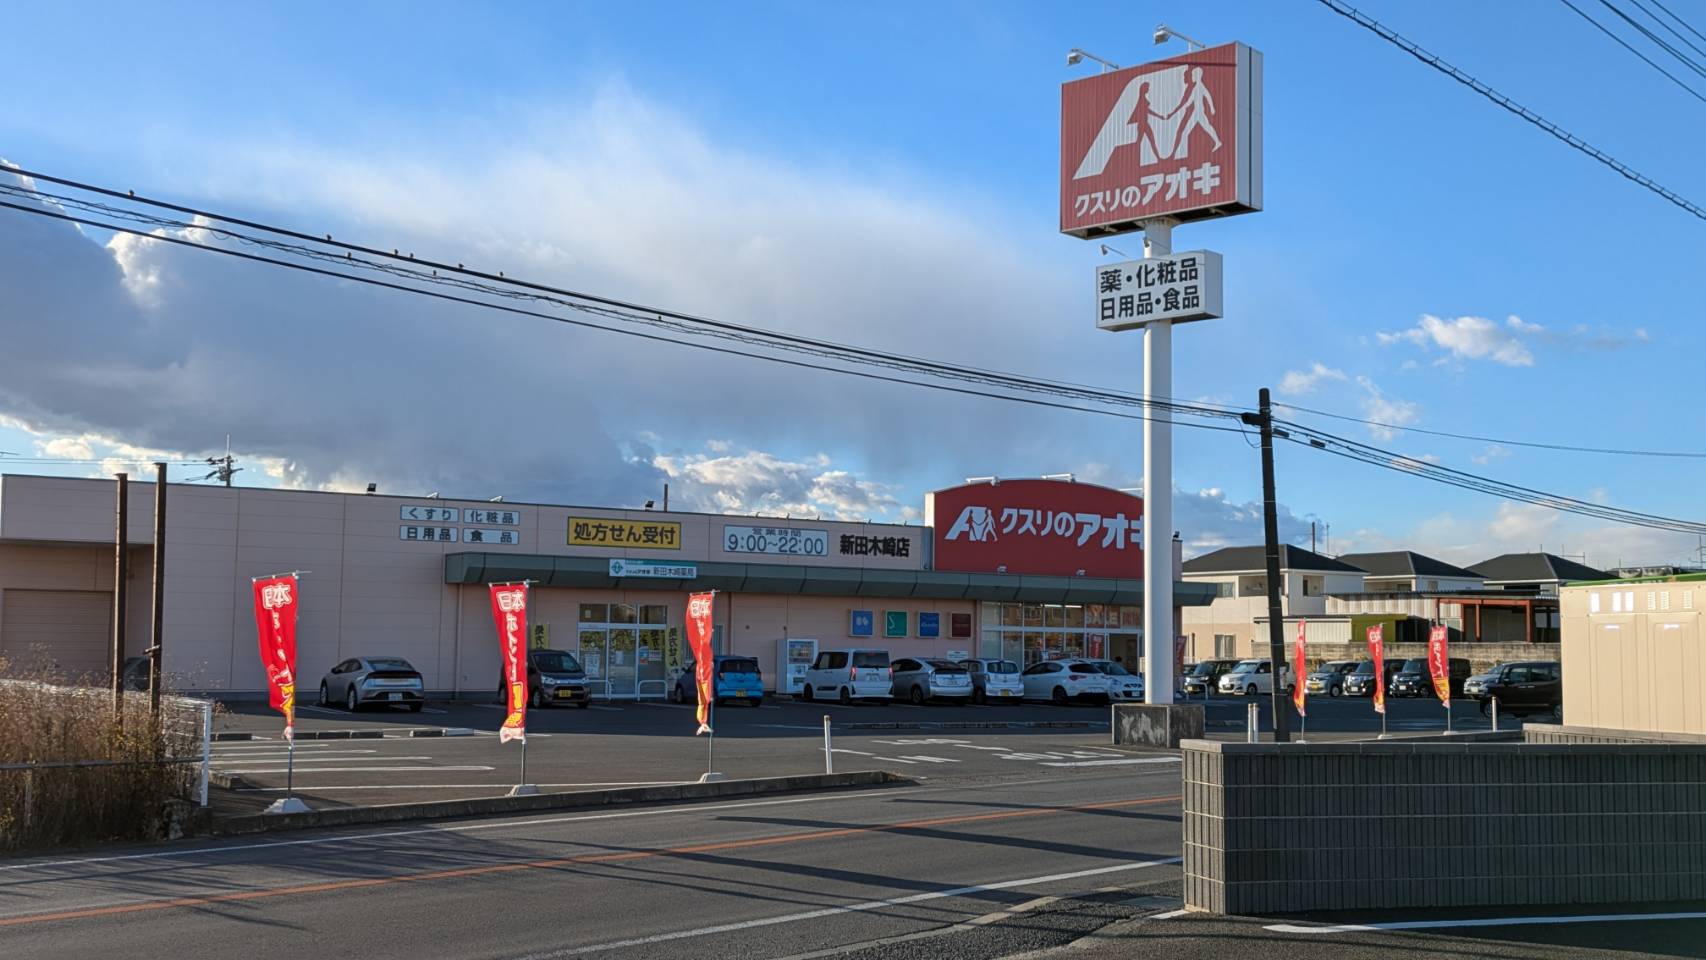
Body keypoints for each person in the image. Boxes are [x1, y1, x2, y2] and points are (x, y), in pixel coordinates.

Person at [1169, 66, 1221, 159]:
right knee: (1188, 131)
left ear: (1197, 75)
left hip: (1199, 112)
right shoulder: (1196, 87)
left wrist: (1212, 108)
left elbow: (1208, 96)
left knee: (1203, 127)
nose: (1191, 76)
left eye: (1193, 75)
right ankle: (1217, 141)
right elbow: (1191, 99)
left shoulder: (1200, 86)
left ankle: (1217, 141)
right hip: (1196, 112)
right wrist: (1186, 106)